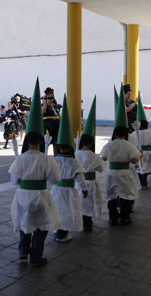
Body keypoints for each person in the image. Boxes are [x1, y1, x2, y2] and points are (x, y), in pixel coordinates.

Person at [9, 79, 61, 266]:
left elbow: (15, 181)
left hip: (23, 195)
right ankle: (36, 256)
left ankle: (23, 251)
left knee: (25, 222)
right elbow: (56, 179)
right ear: (41, 142)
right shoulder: (47, 160)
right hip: (41, 196)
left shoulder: (20, 159)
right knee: (41, 226)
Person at [50, 95, 88, 242]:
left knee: (57, 209)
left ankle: (57, 230)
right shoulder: (74, 162)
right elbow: (80, 178)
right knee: (67, 210)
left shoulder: (54, 161)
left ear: (58, 147)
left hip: (57, 189)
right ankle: (63, 233)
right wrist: (84, 190)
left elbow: (51, 176)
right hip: (70, 191)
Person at [100, 89, 141, 225]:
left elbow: (103, 158)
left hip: (112, 173)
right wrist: (139, 155)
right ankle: (125, 217)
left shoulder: (109, 145)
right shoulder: (129, 145)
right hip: (125, 173)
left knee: (112, 196)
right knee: (125, 196)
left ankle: (112, 217)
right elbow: (134, 160)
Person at [76, 96, 104, 231]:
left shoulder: (76, 154)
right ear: (92, 143)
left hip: (78, 183)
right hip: (91, 183)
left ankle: (79, 221)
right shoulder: (94, 156)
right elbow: (101, 169)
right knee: (89, 203)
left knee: (79, 203)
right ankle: (87, 222)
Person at [128, 94, 151, 190]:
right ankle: (144, 183)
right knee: (145, 170)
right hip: (148, 153)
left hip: (138, 153)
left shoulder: (134, 134)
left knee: (140, 169)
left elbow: (132, 143)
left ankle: (142, 183)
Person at [41, 88, 60, 156]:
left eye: (51, 95)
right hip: (48, 125)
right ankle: (44, 156)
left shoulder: (56, 105)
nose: (50, 97)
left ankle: (56, 157)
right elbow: (43, 112)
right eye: (48, 95)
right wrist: (46, 102)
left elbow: (59, 115)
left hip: (56, 125)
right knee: (47, 142)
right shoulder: (44, 104)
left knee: (56, 143)